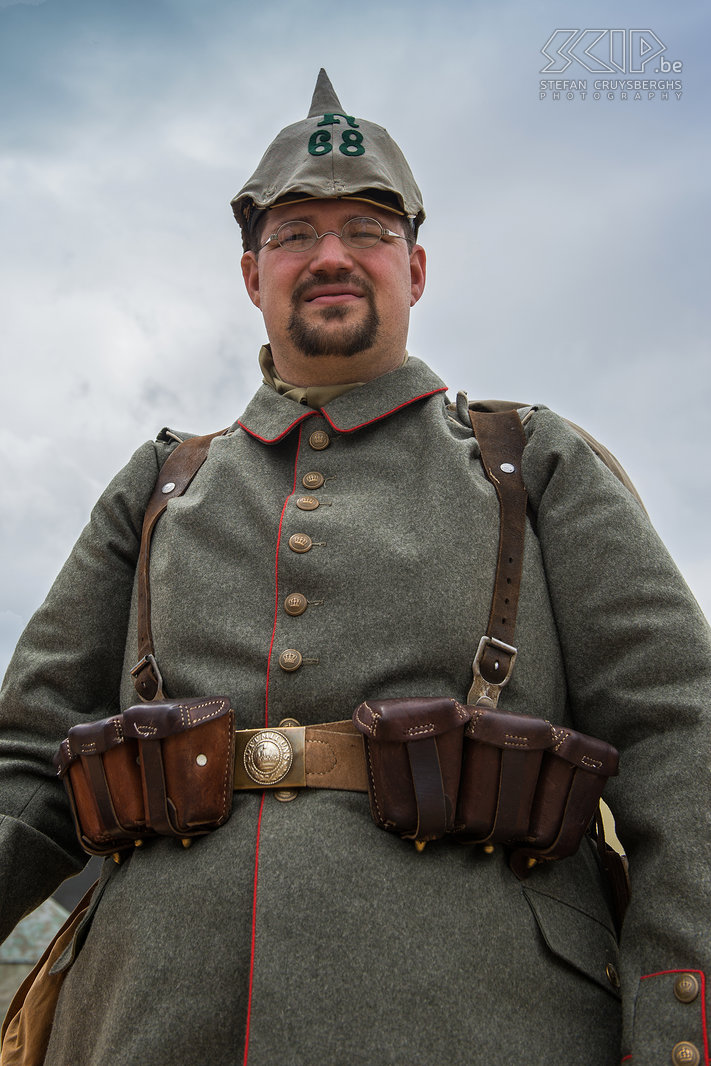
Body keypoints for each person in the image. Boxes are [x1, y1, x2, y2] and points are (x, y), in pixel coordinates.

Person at [1, 69, 709, 1066]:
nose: (330, 254)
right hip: (148, 1025)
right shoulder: (160, 486)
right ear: (253, 276)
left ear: (416, 269)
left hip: (489, 1029)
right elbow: (27, 766)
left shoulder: (532, 463)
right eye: (294, 233)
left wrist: (677, 1024)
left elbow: (681, 739)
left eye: (367, 230)